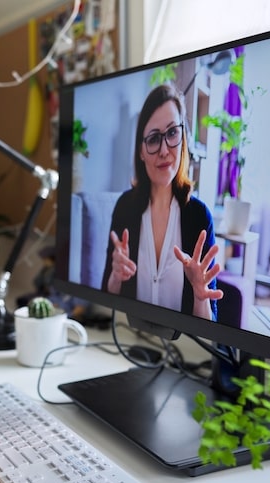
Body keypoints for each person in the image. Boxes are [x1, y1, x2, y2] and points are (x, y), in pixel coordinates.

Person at [101, 83, 223, 320]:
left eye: (172, 133)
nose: (165, 150)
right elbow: (107, 299)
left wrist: (200, 296)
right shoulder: (125, 208)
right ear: (141, 151)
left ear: (183, 137)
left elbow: (210, 328)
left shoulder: (199, 216)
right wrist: (116, 276)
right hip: (130, 340)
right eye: (154, 139)